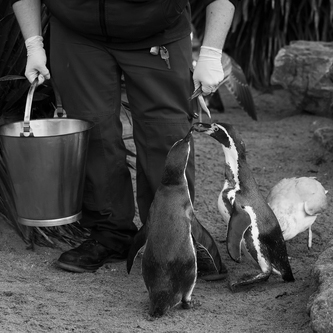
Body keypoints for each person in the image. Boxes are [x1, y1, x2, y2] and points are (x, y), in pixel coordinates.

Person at [12, 0, 238, 273]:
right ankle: (110, 234)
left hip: (157, 29)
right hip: (77, 31)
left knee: (166, 137)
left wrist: (212, 53)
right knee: (92, 134)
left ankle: (175, 235)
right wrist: (34, 43)